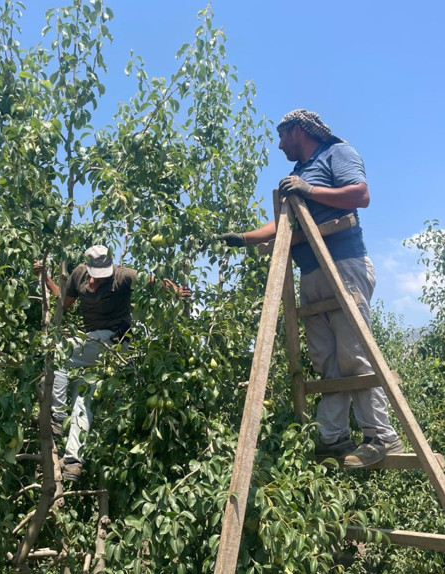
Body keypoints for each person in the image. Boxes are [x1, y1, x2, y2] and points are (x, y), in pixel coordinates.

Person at [219, 109, 402, 468]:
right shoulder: (296, 175)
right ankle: (334, 437)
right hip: (312, 271)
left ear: (299, 130)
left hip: (343, 264)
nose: (279, 143)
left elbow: (360, 195)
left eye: (281, 135)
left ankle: (381, 436)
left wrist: (310, 189)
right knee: (325, 360)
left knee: (353, 354)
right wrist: (241, 238)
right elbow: (282, 223)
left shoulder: (338, 153)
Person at [33, 245, 191, 481]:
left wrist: (176, 291)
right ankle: (74, 461)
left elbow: (154, 281)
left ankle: (55, 416)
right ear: (87, 267)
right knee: (82, 400)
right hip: (91, 344)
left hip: (114, 341)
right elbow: (62, 304)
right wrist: (45, 276)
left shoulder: (122, 275)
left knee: (59, 350)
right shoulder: (78, 274)